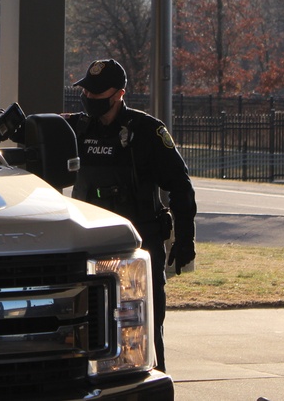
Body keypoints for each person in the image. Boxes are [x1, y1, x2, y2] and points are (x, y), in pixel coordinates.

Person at [64, 58, 197, 372]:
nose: (91, 99)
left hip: (138, 250)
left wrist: (185, 239)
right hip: (89, 248)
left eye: (99, 93)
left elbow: (180, 186)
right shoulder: (76, 130)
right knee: (85, 333)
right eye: (87, 92)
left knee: (144, 334)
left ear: (119, 94)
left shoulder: (147, 132)